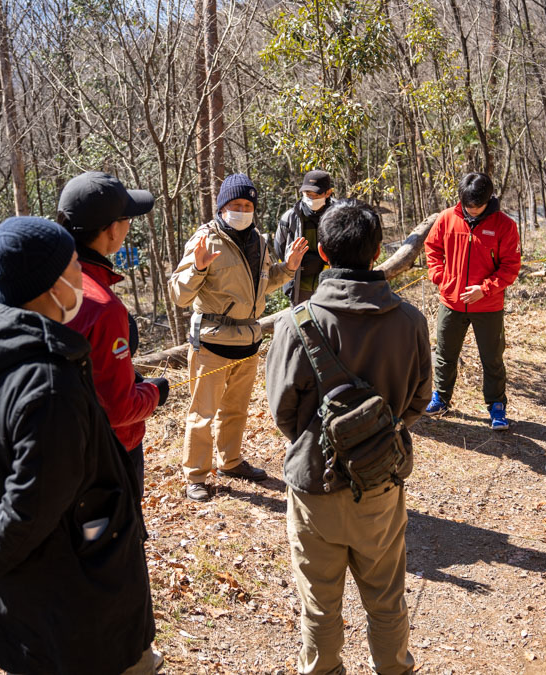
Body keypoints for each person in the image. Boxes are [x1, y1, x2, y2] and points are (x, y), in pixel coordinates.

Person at [0, 217, 157, 674]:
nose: (82, 277)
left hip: (18, 610)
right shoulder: (49, 382)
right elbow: (32, 504)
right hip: (79, 612)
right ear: (51, 285)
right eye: (74, 265)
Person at [267, 199, 431, 675]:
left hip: (315, 486)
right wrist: (378, 434)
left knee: (319, 604)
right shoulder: (410, 320)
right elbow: (419, 400)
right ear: (379, 250)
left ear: (320, 251)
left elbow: (283, 412)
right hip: (380, 483)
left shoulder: (296, 324)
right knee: (386, 599)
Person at [169, 174, 309, 501]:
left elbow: (262, 284)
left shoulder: (258, 241)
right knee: (202, 414)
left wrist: (287, 269)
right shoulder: (206, 240)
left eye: (248, 205)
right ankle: (197, 476)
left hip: (248, 340)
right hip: (211, 344)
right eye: (236, 205)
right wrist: (198, 268)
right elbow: (178, 294)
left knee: (236, 410)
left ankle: (230, 461)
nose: (242, 210)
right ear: (222, 207)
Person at [56, 171, 169, 493]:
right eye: (127, 219)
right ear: (110, 230)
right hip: (109, 452)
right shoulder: (101, 305)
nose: (129, 226)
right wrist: (155, 392)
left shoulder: (47, 282)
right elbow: (118, 408)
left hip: (65, 448)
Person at [422, 172, 521, 429]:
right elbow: (432, 249)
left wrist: (485, 289)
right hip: (450, 302)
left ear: (489, 199)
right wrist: (440, 277)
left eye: (477, 206)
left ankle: (497, 406)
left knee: (492, 358)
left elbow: (510, 267)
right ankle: (441, 399)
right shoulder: (446, 218)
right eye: (467, 205)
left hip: (488, 305)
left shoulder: (505, 225)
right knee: (444, 354)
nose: (472, 210)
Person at [275, 169, 335, 305]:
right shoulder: (290, 218)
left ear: (328, 193)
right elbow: (280, 250)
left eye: (316, 194)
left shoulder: (337, 217)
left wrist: (320, 262)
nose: (311, 198)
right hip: (300, 289)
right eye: (308, 193)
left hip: (331, 288)